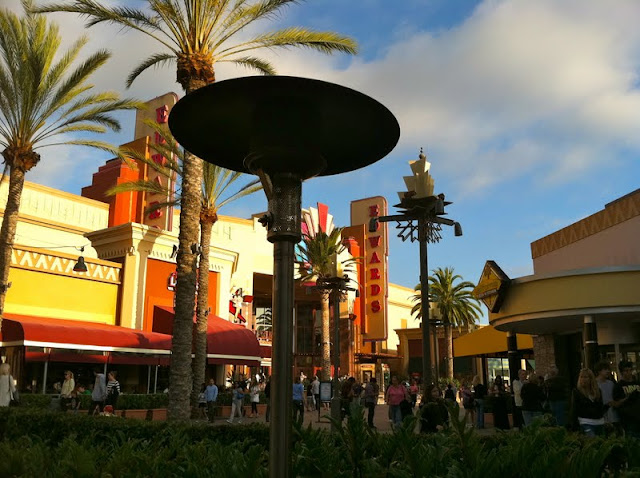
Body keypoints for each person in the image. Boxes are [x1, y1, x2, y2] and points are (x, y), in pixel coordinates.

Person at [569, 368, 605, 436]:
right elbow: (574, 409)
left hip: (599, 422)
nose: (583, 379)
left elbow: (601, 407)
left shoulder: (598, 392)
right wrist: (573, 426)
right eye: (581, 377)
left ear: (591, 379)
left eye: (585, 377)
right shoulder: (577, 392)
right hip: (585, 422)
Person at [612, 360, 640, 438]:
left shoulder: (637, 383)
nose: (629, 373)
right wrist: (627, 398)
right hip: (628, 420)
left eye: (630, 370)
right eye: (626, 371)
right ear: (622, 372)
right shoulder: (618, 386)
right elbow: (616, 403)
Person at [595, 362, 619, 434]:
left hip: (612, 414)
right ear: (599, 371)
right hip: (601, 414)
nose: (608, 371)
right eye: (605, 369)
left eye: (608, 369)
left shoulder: (611, 383)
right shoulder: (595, 384)